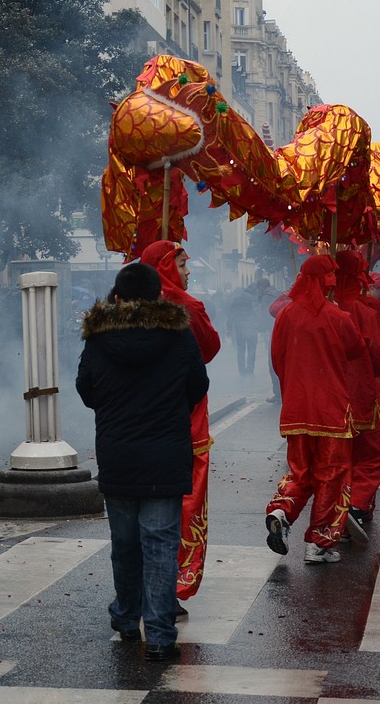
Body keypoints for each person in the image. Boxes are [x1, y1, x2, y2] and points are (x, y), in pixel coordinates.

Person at [76, 263, 208, 661]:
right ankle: (161, 633)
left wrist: (116, 411)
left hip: (118, 454)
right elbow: (197, 386)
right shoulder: (178, 335)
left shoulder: (99, 339)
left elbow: (86, 389)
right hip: (165, 454)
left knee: (126, 543)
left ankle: (126, 616)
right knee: (161, 544)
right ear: (158, 296)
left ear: (116, 297)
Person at [264, 255, 364, 564]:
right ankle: (320, 541)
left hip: (296, 408)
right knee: (332, 476)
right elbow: (357, 349)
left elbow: (277, 359)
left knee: (300, 472)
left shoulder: (286, 315)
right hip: (331, 409)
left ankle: (282, 509)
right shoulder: (339, 317)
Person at [139, 240, 219, 610]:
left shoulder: (123, 310)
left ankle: (139, 587)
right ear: (169, 268)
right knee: (185, 500)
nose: (189, 273)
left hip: (135, 424)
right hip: (184, 420)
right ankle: (174, 583)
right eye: (183, 265)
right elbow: (209, 349)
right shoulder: (188, 308)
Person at [334, 252, 380, 533]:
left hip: (327, 397)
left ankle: (332, 515)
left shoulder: (319, 306)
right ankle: (356, 507)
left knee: (334, 459)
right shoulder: (367, 309)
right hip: (361, 391)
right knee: (371, 454)